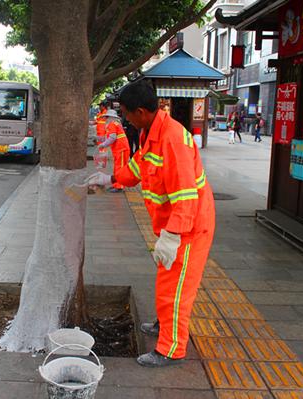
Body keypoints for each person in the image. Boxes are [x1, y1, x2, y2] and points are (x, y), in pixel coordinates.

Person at [88, 81, 215, 367]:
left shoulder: (173, 139)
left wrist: (172, 236)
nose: (124, 119)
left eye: (125, 114)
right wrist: (110, 179)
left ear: (142, 111)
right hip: (173, 226)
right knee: (167, 281)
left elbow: (185, 195)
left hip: (189, 227)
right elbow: (137, 166)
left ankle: (171, 349)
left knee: (177, 288)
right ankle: (164, 325)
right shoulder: (150, 132)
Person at [98, 109, 130, 193]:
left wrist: (103, 144)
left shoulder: (112, 124)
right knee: (117, 167)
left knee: (120, 168)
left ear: (110, 117)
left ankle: (119, 186)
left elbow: (112, 137)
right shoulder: (115, 124)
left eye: (107, 117)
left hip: (121, 149)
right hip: (119, 149)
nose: (105, 119)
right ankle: (116, 185)